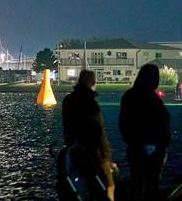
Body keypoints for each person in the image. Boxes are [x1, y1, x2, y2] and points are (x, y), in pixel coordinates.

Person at [59, 70, 115, 201]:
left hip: (73, 149)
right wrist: (107, 158)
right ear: (92, 84)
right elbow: (99, 133)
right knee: (109, 185)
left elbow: (66, 124)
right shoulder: (91, 105)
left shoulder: (68, 101)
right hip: (91, 152)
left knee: (79, 186)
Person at [119, 64, 171, 200]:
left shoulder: (129, 97)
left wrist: (134, 142)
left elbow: (123, 125)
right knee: (151, 187)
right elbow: (163, 123)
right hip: (154, 151)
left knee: (136, 185)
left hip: (135, 150)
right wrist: (161, 144)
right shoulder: (153, 100)